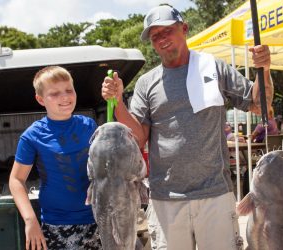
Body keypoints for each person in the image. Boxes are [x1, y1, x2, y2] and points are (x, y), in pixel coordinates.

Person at [101, 5, 273, 250]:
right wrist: (117, 101)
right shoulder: (146, 83)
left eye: (167, 31)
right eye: (155, 36)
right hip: (165, 198)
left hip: (216, 193)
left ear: (184, 29)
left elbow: (259, 105)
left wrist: (264, 70)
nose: (161, 39)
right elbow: (137, 138)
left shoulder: (214, 68)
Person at [9, 66, 101, 250]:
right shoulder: (32, 135)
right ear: (40, 99)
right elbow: (16, 180)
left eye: (69, 90)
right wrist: (30, 221)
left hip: (99, 220)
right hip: (57, 225)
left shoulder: (89, 125)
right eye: (55, 93)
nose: (65, 97)